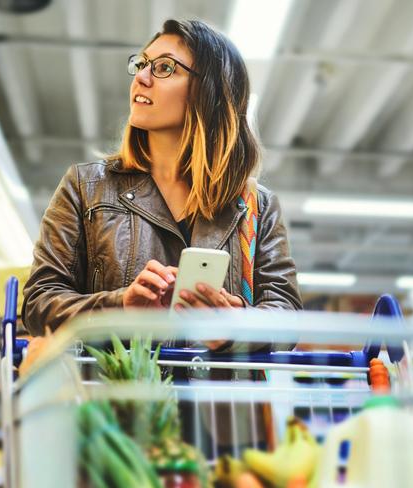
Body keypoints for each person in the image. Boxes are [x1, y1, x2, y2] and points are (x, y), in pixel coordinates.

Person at [21, 18, 302, 455]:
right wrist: (119, 306)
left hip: (222, 432)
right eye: (142, 63)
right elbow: (39, 303)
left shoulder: (256, 205)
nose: (143, 76)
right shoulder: (86, 187)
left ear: (209, 92)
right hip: (112, 429)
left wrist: (233, 328)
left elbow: (286, 313)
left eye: (166, 68)